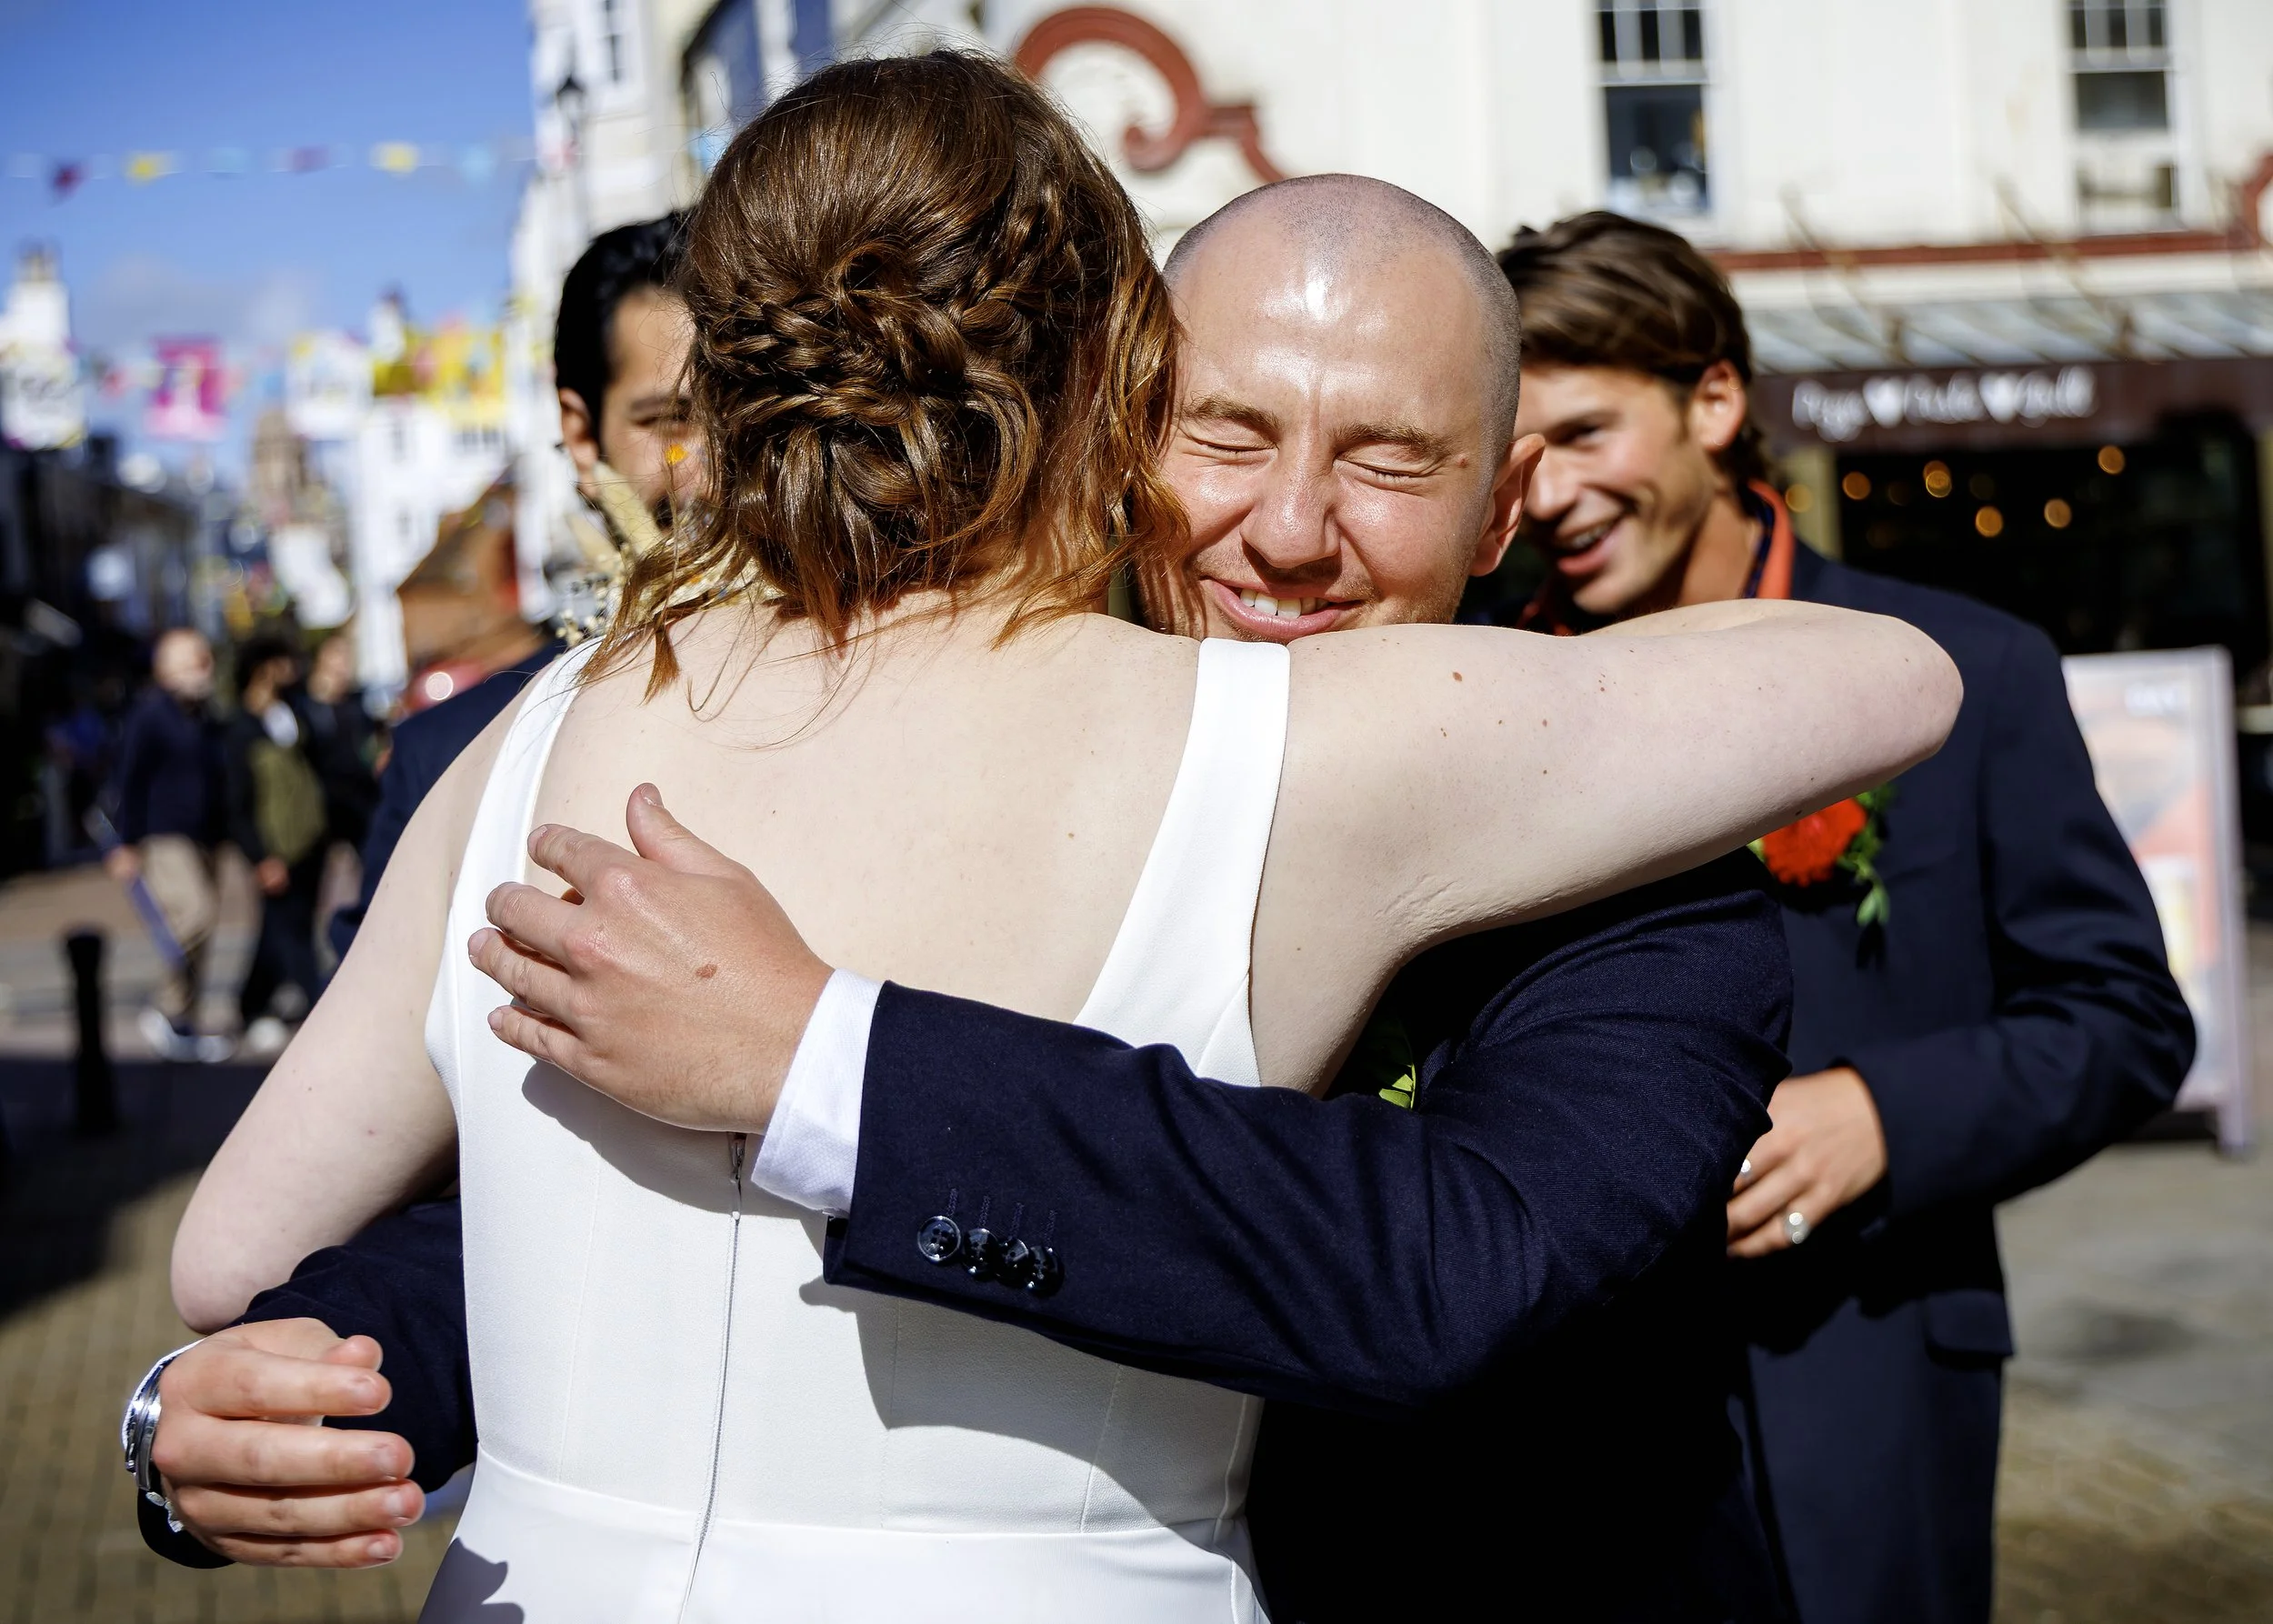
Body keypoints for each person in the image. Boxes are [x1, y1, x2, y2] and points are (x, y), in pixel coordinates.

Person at [151, 65, 1952, 1620]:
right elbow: (615, 1215)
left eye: (1389, 461)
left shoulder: (1627, 848)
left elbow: (1458, 1267)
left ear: (1501, 511)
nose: (1290, 530)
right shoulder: (895, 735)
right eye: (1225, 432)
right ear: (1121, 417)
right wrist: (260, 1400)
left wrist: (832, 1065)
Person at [1495, 212, 2194, 1623]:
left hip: (1865, 1380)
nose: (1551, 492)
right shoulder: (1489, 696)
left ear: (1713, 401)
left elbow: (2126, 1017)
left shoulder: (1966, 669)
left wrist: (1884, 1112)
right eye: (1518, 459)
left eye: (1583, 434)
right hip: (1573, 1419)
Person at [322, 213, 696, 965]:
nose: (710, 474)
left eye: (751, 415)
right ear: (581, 436)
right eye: (670, 422)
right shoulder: (450, 761)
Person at [105, 627, 226, 1061]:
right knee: (194, 914)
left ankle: (183, 1022)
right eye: (195, 660)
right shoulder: (150, 714)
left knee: (205, 930)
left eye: (205, 659)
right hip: (163, 834)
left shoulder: (204, 714)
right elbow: (129, 778)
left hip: (204, 835)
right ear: (167, 668)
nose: (204, 668)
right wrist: (125, 842)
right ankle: (164, 1005)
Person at [224, 635, 329, 1055]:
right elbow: (237, 802)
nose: (293, 669)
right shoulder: (240, 727)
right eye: (284, 660)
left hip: (308, 841)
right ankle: (319, 1006)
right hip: (274, 847)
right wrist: (259, 856)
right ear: (264, 667)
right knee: (287, 933)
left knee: (283, 929)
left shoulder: (293, 712)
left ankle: (250, 1004)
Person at [295, 631, 379, 863]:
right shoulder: (304, 707)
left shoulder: (357, 703)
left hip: (361, 802)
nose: (346, 663)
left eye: (348, 655)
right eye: (339, 655)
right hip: (324, 810)